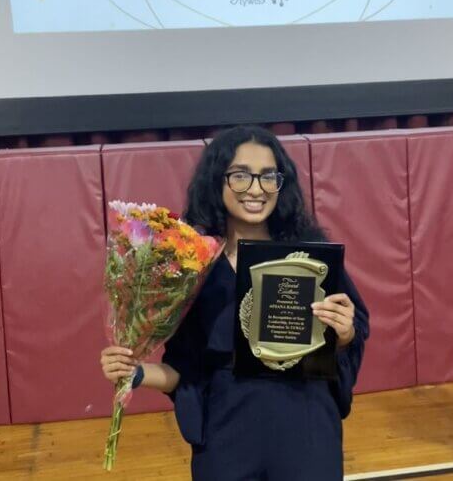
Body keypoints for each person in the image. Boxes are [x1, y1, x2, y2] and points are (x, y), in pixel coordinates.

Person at [101, 125, 369, 480]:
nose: (256, 189)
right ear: (217, 180)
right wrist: (132, 373)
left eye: (268, 177)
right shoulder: (191, 267)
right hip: (228, 434)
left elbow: (348, 342)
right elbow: (185, 372)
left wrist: (346, 333)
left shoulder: (309, 260)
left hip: (306, 428)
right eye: (241, 176)